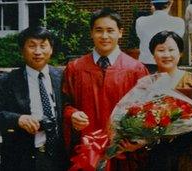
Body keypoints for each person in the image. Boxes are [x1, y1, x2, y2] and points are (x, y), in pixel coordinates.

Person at [62, 7, 149, 170]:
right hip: (86, 151)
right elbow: (65, 104)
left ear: (120, 32)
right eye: (99, 30)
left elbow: (147, 113)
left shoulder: (136, 69)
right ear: (91, 33)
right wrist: (72, 114)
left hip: (123, 152)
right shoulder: (75, 68)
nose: (104, 36)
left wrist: (138, 141)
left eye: (110, 30)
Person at [0, 26, 68, 171]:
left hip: (58, 157)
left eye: (43, 46)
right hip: (21, 159)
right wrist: (17, 119)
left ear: (51, 49)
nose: (38, 52)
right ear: (22, 50)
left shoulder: (62, 77)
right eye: (32, 46)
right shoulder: (6, 81)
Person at [146, 30, 192, 171]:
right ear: (153, 54)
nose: (167, 54)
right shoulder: (147, 84)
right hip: (155, 155)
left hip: (188, 153)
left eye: (172, 50)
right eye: (161, 50)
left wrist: (188, 122)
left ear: (180, 53)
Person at [136, 0, 185, 73]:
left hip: (146, 65)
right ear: (170, 3)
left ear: (152, 4)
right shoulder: (178, 22)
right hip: (168, 64)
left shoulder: (140, 21)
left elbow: (140, 36)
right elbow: (177, 42)